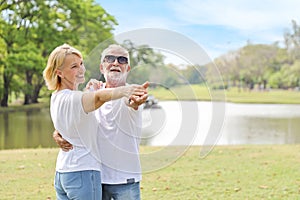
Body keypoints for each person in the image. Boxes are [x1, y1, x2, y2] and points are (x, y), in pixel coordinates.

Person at [44, 43, 147, 200]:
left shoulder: (131, 94)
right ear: (101, 67)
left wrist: (135, 101)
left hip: (124, 180)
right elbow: (76, 119)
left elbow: (133, 103)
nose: (116, 63)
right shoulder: (91, 93)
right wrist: (59, 132)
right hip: (95, 177)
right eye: (110, 58)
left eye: (122, 60)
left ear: (128, 69)